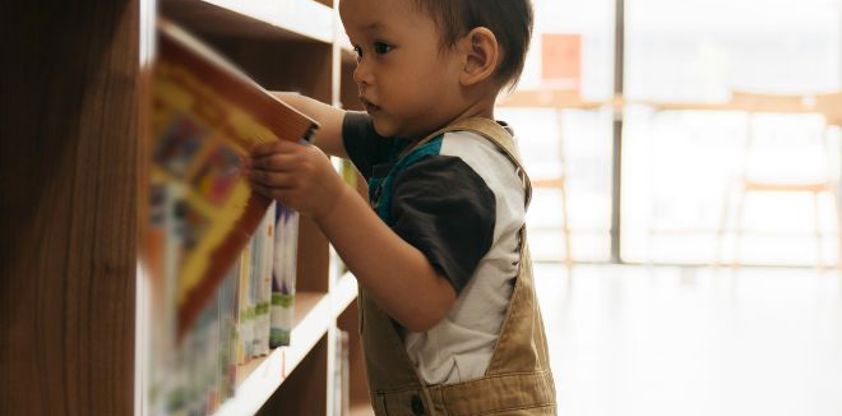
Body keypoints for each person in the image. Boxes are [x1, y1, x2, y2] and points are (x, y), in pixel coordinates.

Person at [245, 0, 556, 413]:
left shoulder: (457, 168)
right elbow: (314, 120)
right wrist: (238, 100)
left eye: (382, 48)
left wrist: (330, 199)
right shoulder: (416, 135)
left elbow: (421, 300)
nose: (361, 72)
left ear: (474, 58)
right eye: (358, 51)